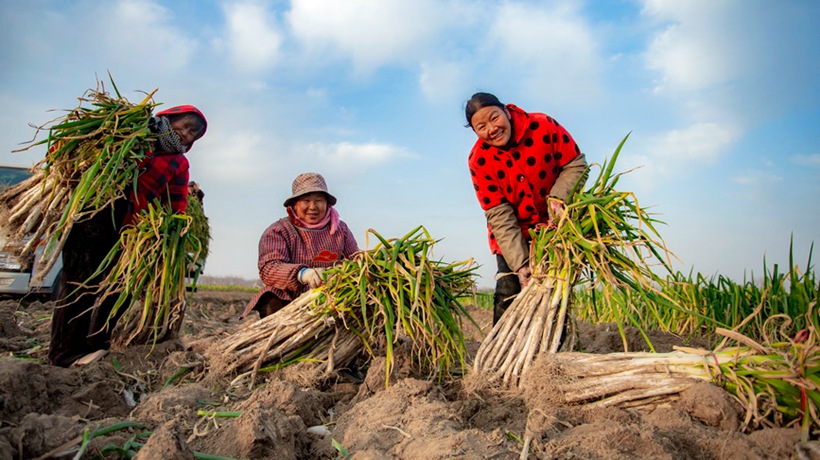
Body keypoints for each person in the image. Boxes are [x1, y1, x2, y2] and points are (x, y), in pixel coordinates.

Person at [48, 105, 208, 367]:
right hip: (93, 216)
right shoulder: (133, 130)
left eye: (194, 134)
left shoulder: (178, 162)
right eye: (186, 126)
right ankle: (64, 353)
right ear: (170, 117)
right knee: (79, 286)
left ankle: (96, 344)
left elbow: (175, 204)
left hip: (128, 230)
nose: (187, 135)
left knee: (120, 288)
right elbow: (69, 151)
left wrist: (173, 231)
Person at [464, 92, 588, 325]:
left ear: (507, 112)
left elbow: (575, 164)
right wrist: (521, 264)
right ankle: (500, 356)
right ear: (475, 133)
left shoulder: (542, 126)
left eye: (494, 117)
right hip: (513, 232)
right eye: (481, 126)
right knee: (508, 290)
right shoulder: (479, 160)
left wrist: (558, 198)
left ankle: (550, 356)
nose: (491, 128)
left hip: (555, 226)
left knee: (553, 293)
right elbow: (498, 213)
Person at [241, 172, 359, 320]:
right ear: (295, 205)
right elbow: (269, 267)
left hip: (329, 298)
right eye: (306, 200)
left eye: (318, 200)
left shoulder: (341, 230)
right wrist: (303, 274)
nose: (312, 207)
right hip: (291, 302)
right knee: (270, 297)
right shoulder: (279, 231)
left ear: (327, 204)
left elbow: (356, 260)